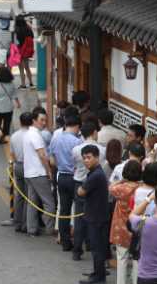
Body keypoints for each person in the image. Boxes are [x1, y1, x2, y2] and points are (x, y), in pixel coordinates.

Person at [71, 121, 106, 260]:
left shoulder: (76, 149)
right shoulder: (102, 149)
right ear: (94, 132)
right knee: (93, 217)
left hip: (79, 182)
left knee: (79, 218)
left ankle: (77, 250)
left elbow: (73, 164)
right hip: (96, 185)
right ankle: (91, 245)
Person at [48, 114, 82, 251]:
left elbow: (51, 160)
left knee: (64, 210)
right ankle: (78, 242)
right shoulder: (77, 142)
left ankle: (65, 241)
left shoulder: (55, 139)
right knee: (78, 210)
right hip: (74, 177)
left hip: (61, 176)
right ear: (76, 126)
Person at [77, 145, 109, 284]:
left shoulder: (96, 175)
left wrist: (80, 188)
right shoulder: (95, 172)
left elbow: (81, 191)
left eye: (89, 157)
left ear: (97, 157)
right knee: (97, 245)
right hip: (96, 213)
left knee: (96, 246)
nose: (86, 161)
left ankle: (99, 276)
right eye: (84, 158)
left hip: (96, 216)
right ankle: (98, 271)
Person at [109, 160, 142, 284]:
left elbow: (110, 187)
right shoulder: (141, 189)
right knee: (136, 258)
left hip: (121, 226)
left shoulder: (120, 189)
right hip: (136, 226)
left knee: (121, 256)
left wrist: (121, 180)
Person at [23, 108, 55, 236]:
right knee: (50, 203)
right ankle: (50, 228)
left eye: (45, 120)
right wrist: (49, 171)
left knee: (32, 202)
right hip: (38, 173)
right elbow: (42, 155)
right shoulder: (36, 135)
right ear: (34, 120)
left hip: (29, 173)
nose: (44, 123)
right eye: (41, 120)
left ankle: (31, 228)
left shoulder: (28, 133)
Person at [2, 111, 32, 230]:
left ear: (20, 122)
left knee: (19, 195)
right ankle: (25, 224)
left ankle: (18, 222)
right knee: (29, 196)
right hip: (29, 166)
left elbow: (12, 154)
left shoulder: (14, 136)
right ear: (32, 122)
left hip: (17, 165)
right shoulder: (32, 135)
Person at [0, 66, 19, 144]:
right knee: (7, 124)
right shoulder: (11, 84)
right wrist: (18, 103)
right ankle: (3, 139)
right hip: (8, 108)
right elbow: (14, 95)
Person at [14, 15, 34, 89]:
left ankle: (23, 84)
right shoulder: (28, 28)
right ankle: (31, 83)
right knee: (27, 67)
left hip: (19, 50)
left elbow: (15, 42)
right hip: (26, 51)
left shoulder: (16, 30)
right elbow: (32, 36)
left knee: (21, 68)